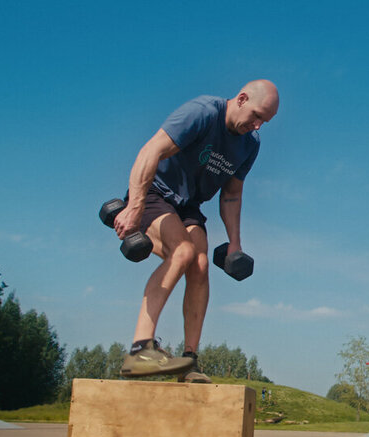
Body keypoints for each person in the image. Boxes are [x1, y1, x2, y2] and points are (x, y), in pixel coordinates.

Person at [113, 80, 280, 383]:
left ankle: (189, 362)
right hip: (154, 192)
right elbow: (149, 152)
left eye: (264, 122)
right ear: (241, 98)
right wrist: (134, 207)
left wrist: (235, 244)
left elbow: (231, 195)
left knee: (200, 265)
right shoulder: (202, 112)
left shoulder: (249, 144)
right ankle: (139, 349)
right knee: (183, 252)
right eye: (256, 116)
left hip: (188, 207)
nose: (257, 126)